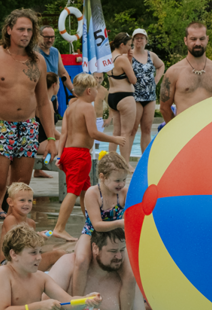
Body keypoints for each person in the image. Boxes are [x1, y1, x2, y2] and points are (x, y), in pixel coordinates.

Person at [0, 9, 57, 268]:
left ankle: (13, 251)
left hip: (28, 128)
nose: (26, 34)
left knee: (20, 191)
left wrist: (50, 137)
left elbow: (43, 101)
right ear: (8, 29)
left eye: (30, 30)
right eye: (21, 29)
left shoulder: (37, 60)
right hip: (0, 127)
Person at [53, 73, 125, 242]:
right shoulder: (87, 107)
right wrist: (114, 139)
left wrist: (59, 155)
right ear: (88, 91)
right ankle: (59, 227)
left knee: (86, 191)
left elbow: (63, 133)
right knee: (73, 191)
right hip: (79, 154)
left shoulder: (70, 108)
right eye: (95, 90)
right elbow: (93, 133)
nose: (97, 93)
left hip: (69, 152)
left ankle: (92, 223)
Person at [69, 151, 135, 310]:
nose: (120, 184)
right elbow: (97, 224)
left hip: (115, 237)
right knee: (81, 260)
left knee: (130, 274)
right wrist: (121, 223)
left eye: (123, 180)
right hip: (91, 233)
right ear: (102, 177)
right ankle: (77, 306)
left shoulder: (124, 194)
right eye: (117, 180)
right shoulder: (93, 193)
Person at [45, 229, 149, 310]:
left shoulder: (127, 281)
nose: (119, 257)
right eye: (112, 251)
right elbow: (45, 303)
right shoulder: (68, 264)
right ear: (95, 248)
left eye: (122, 250)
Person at [158, 22, 212, 122]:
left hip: (211, 130)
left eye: (202, 39)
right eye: (193, 39)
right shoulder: (173, 72)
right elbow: (164, 108)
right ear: (185, 40)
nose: (198, 43)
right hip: (184, 131)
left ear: (207, 39)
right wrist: (174, 129)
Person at [0, 183, 68, 269]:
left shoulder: (31, 223)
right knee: (60, 254)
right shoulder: (10, 220)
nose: (26, 203)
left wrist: (40, 239)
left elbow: (32, 246)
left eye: (30, 201)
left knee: (61, 254)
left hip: (26, 260)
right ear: (10, 202)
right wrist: (37, 236)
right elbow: (15, 242)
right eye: (22, 200)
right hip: (10, 262)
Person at [131, 29, 165, 154]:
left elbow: (161, 65)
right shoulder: (128, 55)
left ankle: (145, 159)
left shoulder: (151, 55)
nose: (139, 40)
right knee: (133, 129)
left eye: (142, 38)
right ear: (133, 41)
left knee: (147, 129)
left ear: (146, 40)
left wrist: (156, 79)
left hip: (150, 96)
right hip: (135, 97)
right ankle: (126, 160)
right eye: (137, 38)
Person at [106, 32, 138, 163]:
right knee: (126, 133)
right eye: (129, 45)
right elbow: (133, 80)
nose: (130, 49)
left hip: (112, 96)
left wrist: (128, 60)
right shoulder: (122, 59)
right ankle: (125, 164)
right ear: (122, 45)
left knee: (116, 133)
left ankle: (110, 162)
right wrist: (129, 61)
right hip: (125, 97)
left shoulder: (108, 57)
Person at [34, 73, 62, 179]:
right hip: (41, 144)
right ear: (54, 85)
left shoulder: (44, 100)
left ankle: (38, 170)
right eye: (59, 83)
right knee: (75, 143)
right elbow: (51, 130)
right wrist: (65, 138)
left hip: (39, 141)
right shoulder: (46, 103)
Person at [36, 26, 76, 95]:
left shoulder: (55, 52)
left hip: (52, 96)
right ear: (39, 36)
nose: (50, 40)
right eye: (47, 37)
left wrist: (73, 90)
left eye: (52, 37)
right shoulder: (33, 52)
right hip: (38, 97)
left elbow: (63, 73)